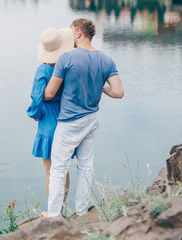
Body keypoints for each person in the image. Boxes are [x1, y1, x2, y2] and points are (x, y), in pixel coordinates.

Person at [41, 18, 124, 218]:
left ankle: (53, 215)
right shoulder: (106, 60)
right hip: (92, 118)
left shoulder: (66, 58)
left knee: (58, 168)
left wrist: (37, 97)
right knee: (86, 166)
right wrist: (99, 86)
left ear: (78, 33)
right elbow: (119, 92)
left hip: (69, 121)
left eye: (71, 33)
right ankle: (81, 212)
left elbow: (50, 93)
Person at [26, 27, 74, 208]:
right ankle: (62, 208)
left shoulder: (43, 70)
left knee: (49, 172)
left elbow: (36, 96)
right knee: (64, 171)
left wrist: (34, 114)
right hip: (65, 120)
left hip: (47, 123)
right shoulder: (67, 68)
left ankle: (54, 211)